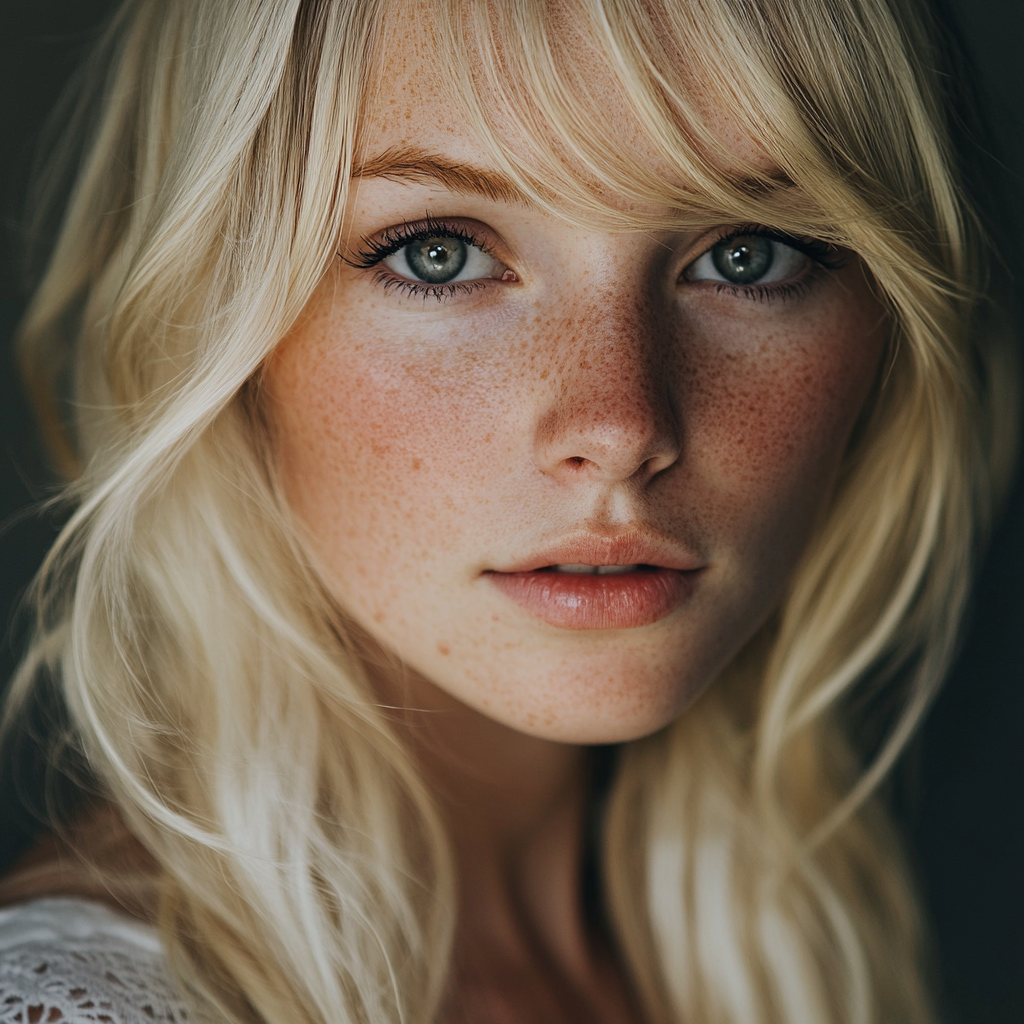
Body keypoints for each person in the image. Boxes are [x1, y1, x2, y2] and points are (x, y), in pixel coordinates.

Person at [0, 1, 1015, 1022]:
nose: (619, 425)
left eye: (747, 253)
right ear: (221, 321)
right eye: (439, 252)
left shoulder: (787, 948)